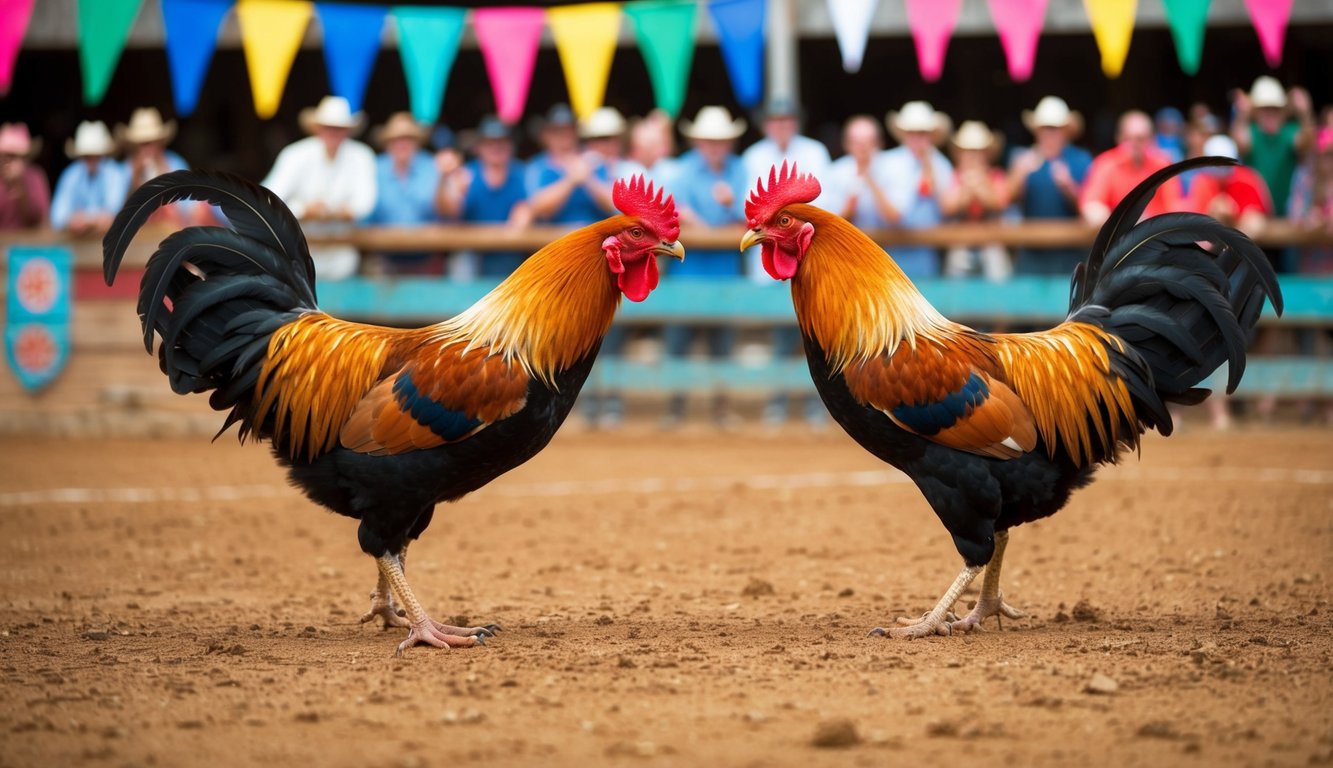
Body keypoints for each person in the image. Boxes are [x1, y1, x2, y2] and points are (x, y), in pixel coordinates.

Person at [661, 106, 751, 430]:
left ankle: (722, 407)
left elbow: (751, 218)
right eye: (710, 140)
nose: (715, 146)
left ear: (729, 143)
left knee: (722, 343)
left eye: (721, 140)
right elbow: (677, 213)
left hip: (722, 270)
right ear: (698, 141)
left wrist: (728, 211)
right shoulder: (683, 170)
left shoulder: (740, 170)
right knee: (678, 341)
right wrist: (721, 223)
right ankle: (675, 406)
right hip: (688, 270)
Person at [261, 96, 377, 279]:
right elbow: (267, 197)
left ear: (348, 131)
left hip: (342, 253)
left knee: (340, 301)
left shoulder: (361, 156)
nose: (334, 133)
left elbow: (365, 203)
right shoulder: (295, 155)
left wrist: (342, 211)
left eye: (339, 128)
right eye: (329, 127)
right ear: (317, 128)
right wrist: (303, 210)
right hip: (298, 250)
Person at [436, 115, 532, 278]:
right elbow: (448, 210)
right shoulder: (466, 175)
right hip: (471, 258)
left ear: (510, 145)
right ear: (478, 147)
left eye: (501, 142)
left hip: (509, 258)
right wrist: (444, 179)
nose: (496, 147)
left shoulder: (522, 174)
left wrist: (527, 213)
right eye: (489, 142)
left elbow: (526, 212)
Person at [1006, 96, 1093, 275]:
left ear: (1066, 131)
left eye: (1054, 128)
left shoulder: (1081, 160)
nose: (1048, 133)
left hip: (1070, 256)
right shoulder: (1023, 160)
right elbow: (1006, 202)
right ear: (1036, 130)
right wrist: (1019, 174)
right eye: (1044, 128)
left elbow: (1091, 210)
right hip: (1031, 256)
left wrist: (1069, 188)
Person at [878, 101, 953, 278]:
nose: (916, 138)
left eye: (922, 133)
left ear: (932, 135)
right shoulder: (886, 162)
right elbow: (890, 215)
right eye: (911, 132)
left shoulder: (941, 165)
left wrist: (929, 168)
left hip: (928, 253)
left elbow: (947, 209)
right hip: (891, 249)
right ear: (903, 134)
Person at [364, 112, 441, 274]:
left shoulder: (433, 167)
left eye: (408, 139)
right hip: (383, 260)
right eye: (396, 139)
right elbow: (364, 214)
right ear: (387, 143)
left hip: (427, 260)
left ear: (417, 142)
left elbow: (446, 213)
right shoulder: (373, 168)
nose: (402, 144)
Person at [1080, 110, 1183, 227]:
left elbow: (1174, 207)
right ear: (1118, 138)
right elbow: (1091, 207)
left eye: (1140, 139)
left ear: (1151, 139)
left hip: (1156, 236)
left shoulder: (1162, 164)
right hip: (1117, 239)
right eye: (1128, 138)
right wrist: (1120, 223)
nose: (1134, 145)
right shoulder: (1106, 164)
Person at [1230, 76, 1315, 217]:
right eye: (1265, 108)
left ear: (1283, 111)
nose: (1270, 113)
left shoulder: (1289, 132)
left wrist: (1305, 113)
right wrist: (1242, 115)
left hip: (1288, 215)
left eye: (1275, 109)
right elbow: (1239, 144)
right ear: (1256, 111)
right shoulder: (1252, 132)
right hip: (1256, 215)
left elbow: (1306, 144)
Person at [940, 121, 1011, 281]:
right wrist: (967, 188)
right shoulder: (953, 176)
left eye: (978, 151)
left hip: (992, 245)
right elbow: (947, 207)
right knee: (955, 293)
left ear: (987, 153)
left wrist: (980, 184)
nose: (973, 156)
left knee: (998, 289)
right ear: (960, 153)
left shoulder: (996, 175)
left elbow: (999, 203)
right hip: (960, 245)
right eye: (968, 151)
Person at [526, 104, 613, 226]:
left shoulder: (595, 160)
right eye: (557, 131)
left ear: (576, 131)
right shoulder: (537, 167)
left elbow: (613, 205)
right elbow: (538, 208)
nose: (564, 136)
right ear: (547, 134)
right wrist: (570, 180)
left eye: (569, 129)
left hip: (595, 239)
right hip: (554, 241)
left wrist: (589, 179)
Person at [117, 107, 193, 225]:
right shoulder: (124, 170)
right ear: (134, 145)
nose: (147, 148)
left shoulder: (176, 164)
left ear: (160, 142)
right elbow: (116, 212)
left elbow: (190, 209)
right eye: (142, 143)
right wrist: (135, 179)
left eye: (151, 142)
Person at [50, 120, 128, 236]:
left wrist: (83, 219)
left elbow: (114, 214)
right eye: (87, 155)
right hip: (77, 247)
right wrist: (91, 220)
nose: (91, 159)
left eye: (95, 155)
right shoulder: (70, 174)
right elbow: (57, 217)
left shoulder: (116, 174)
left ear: (103, 154)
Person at [1184, 135, 1272, 238]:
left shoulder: (1246, 179)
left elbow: (1257, 218)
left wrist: (1233, 213)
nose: (1219, 173)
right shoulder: (1202, 180)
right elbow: (1197, 212)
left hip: (1242, 236)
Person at [0, 122, 49, 230]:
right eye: (5, 155)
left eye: (13, 156)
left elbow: (38, 218)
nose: (8, 160)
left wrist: (20, 188)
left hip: (28, 244)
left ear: (25, 157)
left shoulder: (36, 177)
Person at [619, 110, 678, 186]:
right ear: (633, 149)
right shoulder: (630, 171)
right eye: (651, 145)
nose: (657, 151)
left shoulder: (664, 168)